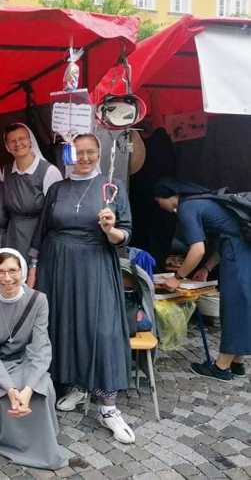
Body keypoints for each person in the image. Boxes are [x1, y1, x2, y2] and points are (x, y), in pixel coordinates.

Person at [29, 133, 135, 444]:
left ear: (99, 154)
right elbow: (41, 231)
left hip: (95, 263)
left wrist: (110, 229)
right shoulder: (58, 189)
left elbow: (125, 234)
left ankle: (108, 406)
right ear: (69, 156)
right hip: (57, 265)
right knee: (65, 325)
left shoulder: (112, 187)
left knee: (101, 329)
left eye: (91, 152)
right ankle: (76, 385)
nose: (85, 158)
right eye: (78, 153)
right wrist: (33, 267)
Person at [0, 248, 68, 469]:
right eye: (0, 271)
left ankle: (43, 446)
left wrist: (28, 389)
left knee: (40, 390)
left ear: (22, 271)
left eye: (13, 271)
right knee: (1, 392)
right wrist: (10, 389)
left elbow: (40, 348)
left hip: (27, 361)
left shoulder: (38, 300)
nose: (7, 278)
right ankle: (8, 439)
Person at [154, 178, 251, 380]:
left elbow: (197, 250)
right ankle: (237, 363)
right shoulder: (204, 201)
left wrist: (177, 278)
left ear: (168, 197)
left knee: (234, 307)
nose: (159, 206)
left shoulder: (187, 208)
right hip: (241, 252)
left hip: (237, 257)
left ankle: (221, 368)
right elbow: (227, 237)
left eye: (158, 201)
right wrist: (207, 268)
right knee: (242, 305)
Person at [2, 123, 62, 259]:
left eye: (22, 138)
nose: (18, 144)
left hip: (39, 237)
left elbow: (55, 214)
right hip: (12, 236)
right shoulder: (6, 171)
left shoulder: (49, 171)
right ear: (7, 147)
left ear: (30, 141)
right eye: (12, 141)